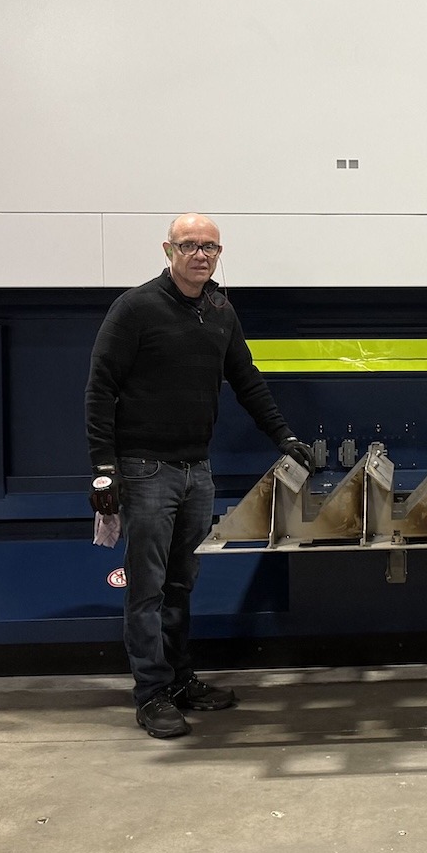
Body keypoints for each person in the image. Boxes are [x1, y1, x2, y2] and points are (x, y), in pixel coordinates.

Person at [85, 214, 315, 738]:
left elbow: (246, 379)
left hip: (196, 470)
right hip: (144, 471)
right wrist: (103, 469)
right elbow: (100, 389)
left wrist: (284, 436)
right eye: (189, 245)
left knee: (180, 583)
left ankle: (180, 678)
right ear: (168, 249)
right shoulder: (136, 308)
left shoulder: (219, 310)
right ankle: (151, 694)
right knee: (145, 590)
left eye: (210, 247)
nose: (201, 256)